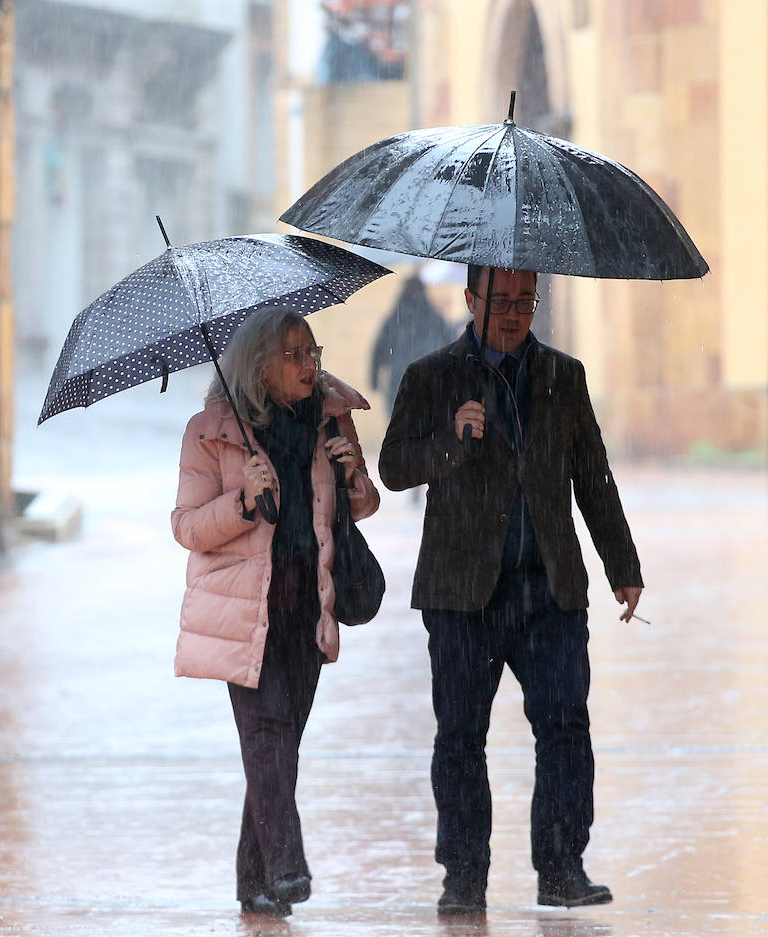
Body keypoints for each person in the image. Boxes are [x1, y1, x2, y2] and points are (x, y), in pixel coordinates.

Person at [378, 265, 644, 913]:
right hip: (462, 594)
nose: (514, 312)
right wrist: (451, 439)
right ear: (471, 299)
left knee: (564, 729)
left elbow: (594, 476)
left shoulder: (563, 376)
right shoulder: (431, 376)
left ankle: (561, 867)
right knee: (461, 738)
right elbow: (392, 467)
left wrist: (623, 566)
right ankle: (463, 879)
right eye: (501, 300)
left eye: (526, 300)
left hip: (549, 588)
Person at [170, 306, 380, 918]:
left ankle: (255, 884)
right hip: (246, 613)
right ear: (259, 363)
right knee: (266, 737)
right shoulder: (210, 431)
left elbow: (362, 506)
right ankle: (287, 865)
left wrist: (352, 479)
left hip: (308, 607)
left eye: (312, 351)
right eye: (292, 355)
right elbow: (185, 526)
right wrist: (241, 500)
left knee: (280, 749)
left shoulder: (331, 416)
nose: (308, 364)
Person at [369, 274, 453, 418]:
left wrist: (374, 379)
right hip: (429, 381)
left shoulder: (394, 319)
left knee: (399, 425)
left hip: (399, 380)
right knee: (427, 426)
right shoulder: (435, 318)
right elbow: (450, 349)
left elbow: (379, 350)